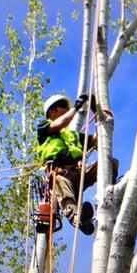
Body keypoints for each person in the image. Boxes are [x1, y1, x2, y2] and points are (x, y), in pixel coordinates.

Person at [36, 94, 98, 235]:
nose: (68, 109)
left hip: (78, 175)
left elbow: (96, 139)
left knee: (108, 165)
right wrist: (77, 107)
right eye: (64, 107)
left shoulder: (73, 136)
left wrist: (97, 114)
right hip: (60, 175)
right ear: (53, 111)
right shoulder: (43, 128)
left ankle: (110, 191)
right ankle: (78, 218)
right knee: (59, 181)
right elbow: (59, 124)